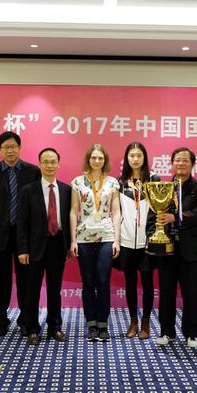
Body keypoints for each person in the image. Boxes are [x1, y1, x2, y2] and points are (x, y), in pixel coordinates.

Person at [0, 131, 41, 337]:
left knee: (26, 280)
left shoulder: (33, 171)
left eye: (13, 146)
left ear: (19, 148)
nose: (9, 150)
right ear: (0, 150)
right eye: (5, 147)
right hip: (0, 235)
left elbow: (37, 206)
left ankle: (26, 320)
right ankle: (0, 320)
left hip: (25, 236)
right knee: (1, 280)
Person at [151, 147, 197, 348]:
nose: (181, 163)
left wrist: (174, 218)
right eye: (177, 160)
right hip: (166, 248)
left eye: (185, 160)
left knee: (190, 293)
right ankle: (166, 332)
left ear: (192, 164)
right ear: (172, 163)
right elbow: (156, 215)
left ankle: (192, 333)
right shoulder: (163, 188)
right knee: (166, 293)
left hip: (190, 249)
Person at [17, 148, 72, 345]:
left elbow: (69, 219)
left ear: (58, 164)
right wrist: (22, 249)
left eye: (53, 162)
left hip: (58, 245)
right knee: (32, 289)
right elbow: (22, 223)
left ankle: (55, 327)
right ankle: (32, 328)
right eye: (46, 162)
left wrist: (69, 245)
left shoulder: (66, 190)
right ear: (39, 164)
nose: (49, 165)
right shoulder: (28, 190)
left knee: (54, 289)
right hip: (34, 247)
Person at [69, 144, 121, 342]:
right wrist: (73, 240)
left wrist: (117, 240)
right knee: (88, 282)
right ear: (88, 160)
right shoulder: (77, 182)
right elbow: (73, 211)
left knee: (103, 282)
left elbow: (116, 212)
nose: (97, 161)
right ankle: (91, 324)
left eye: (100, 158)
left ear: (104, 160)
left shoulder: (112, 183)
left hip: (106, 237)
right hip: (83, 237)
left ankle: (103, 324)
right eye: (93, 158)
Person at [117, 142, 161, 340]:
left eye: (139, 155)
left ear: (144, 158)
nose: (135, 159)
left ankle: (145, 322)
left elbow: (158, 211)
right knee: (130, 282)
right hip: (126, 241)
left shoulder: (154, 180)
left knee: (147, 282)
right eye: (131, 155)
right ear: (127, 158)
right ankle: (133, 321)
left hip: (147, 241)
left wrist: (151, 235)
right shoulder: (119, 183)